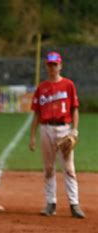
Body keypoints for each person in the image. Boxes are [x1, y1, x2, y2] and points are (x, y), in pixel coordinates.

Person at [29, 51, 85, 219]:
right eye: (49, 64)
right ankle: (50, 203)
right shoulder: (42, 88)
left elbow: (75, 109)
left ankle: (74, 205)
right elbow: (37, 114)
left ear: (60, 66)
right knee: (48, 168)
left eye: (55, 64)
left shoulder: (68, 85)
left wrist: (74, 130)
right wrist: (32, 136)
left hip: (64, 129)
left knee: (68, 168)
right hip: (46, 129)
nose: (52, 67)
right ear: (46, 66)